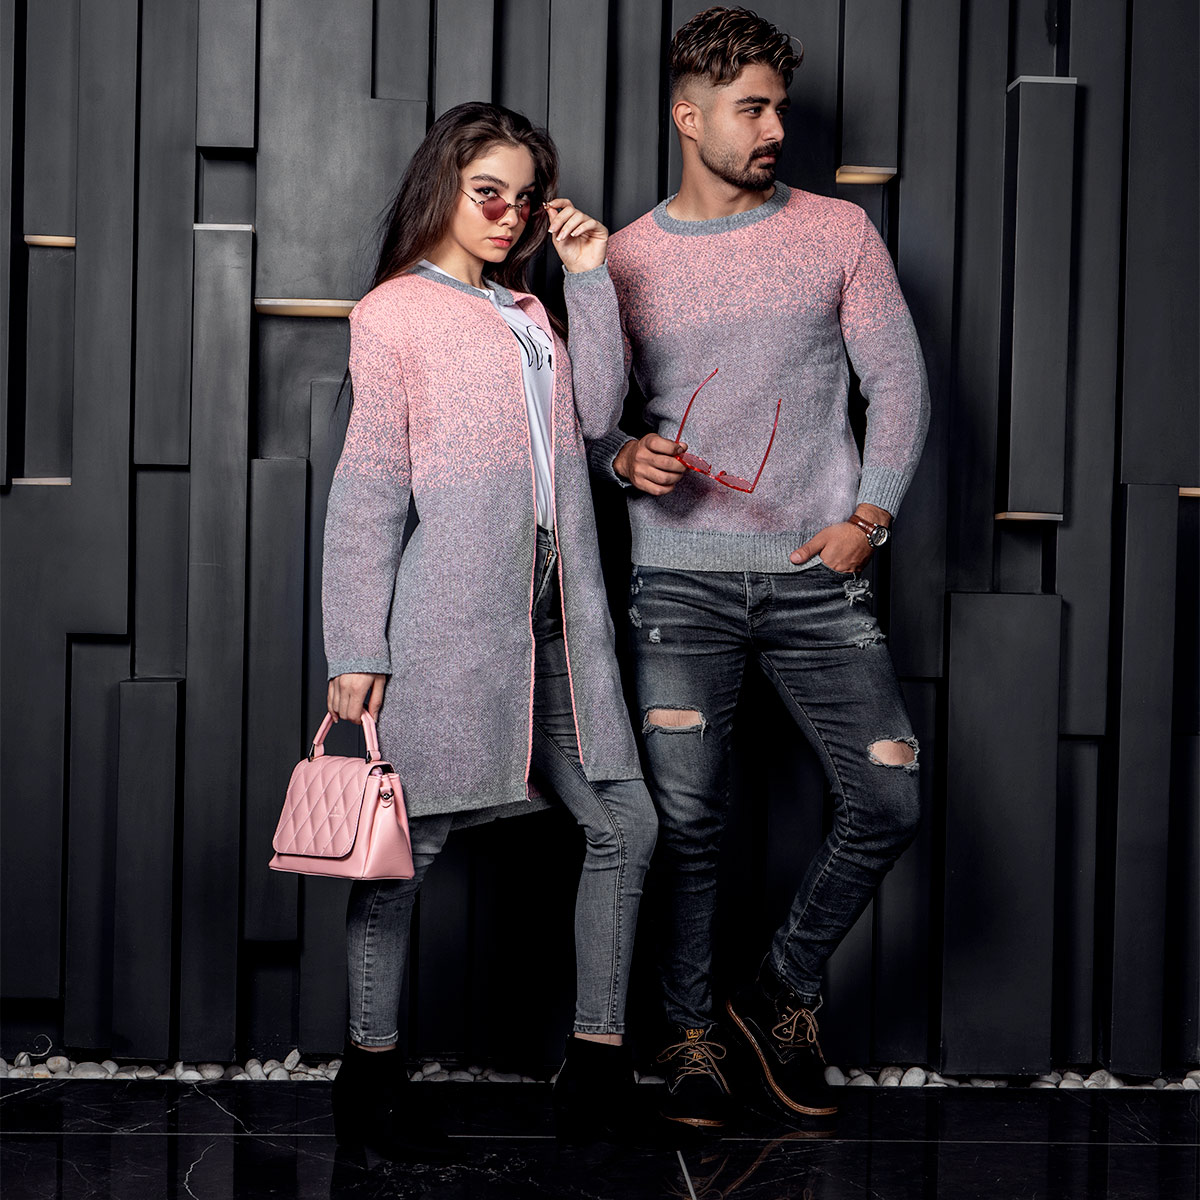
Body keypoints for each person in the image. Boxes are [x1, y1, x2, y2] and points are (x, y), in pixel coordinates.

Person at [566, 6, 930, 1129]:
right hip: (679, 583)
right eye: (751, 108)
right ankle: (687, 1035)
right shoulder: (628, 256)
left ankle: (778, 988)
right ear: (689, 117)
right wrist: (622, 456)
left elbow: (898, 382)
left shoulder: (838, 233)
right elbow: (590, 417)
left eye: (780, 108)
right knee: (687, 824)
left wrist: (870, 515)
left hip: (819, 576)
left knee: (889, 798)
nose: (774, 128)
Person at [320, 101, 657, 1158]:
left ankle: (596, 1063)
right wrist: (357, 647)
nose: (509, 214)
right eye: (488, 193)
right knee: (401, 853)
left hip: (562, 617)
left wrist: (590, 278)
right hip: (451, 621)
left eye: (524, 197)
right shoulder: (392, 314)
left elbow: (596, 420)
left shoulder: (531, 311)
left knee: (626, 825)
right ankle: (370, 1069)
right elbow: (369, 487)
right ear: (445, 186)